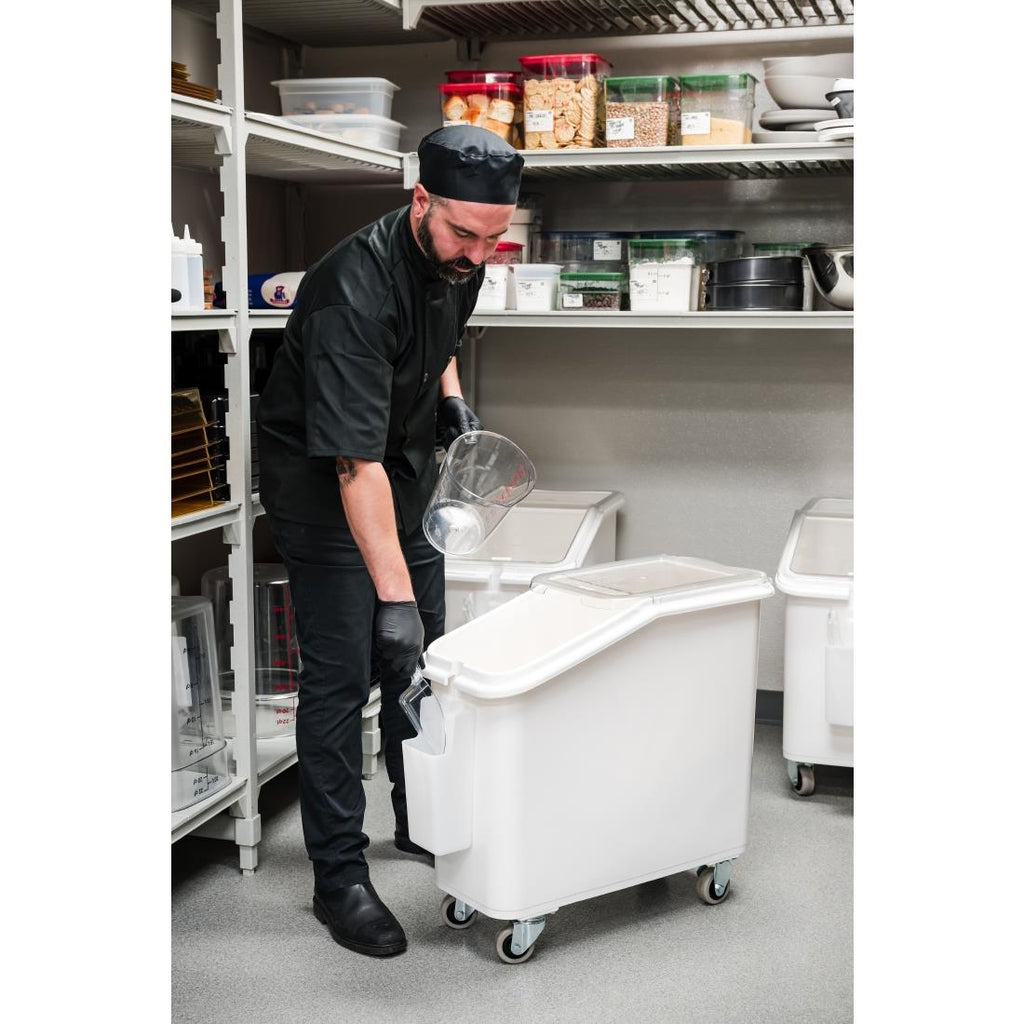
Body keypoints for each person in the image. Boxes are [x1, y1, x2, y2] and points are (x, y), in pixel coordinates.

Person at [255, 125, 524, 958]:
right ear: (420, 201)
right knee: (343, 677)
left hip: (399, 472)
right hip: (327, 486)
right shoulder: (351, 292)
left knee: (421, 664)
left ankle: (421, 820)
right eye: (463, 234)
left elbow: (440, 329)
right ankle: (338, 877)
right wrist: (395, 599)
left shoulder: (459, 257)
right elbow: (352, 466)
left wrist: (450, 395)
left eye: (492, 239)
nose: (476, 254)